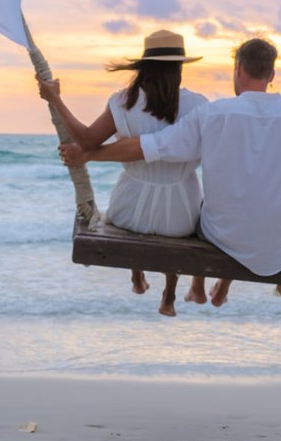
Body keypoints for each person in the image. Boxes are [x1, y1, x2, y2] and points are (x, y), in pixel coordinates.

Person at [59, 37, 281, 307]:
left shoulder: (213, 114)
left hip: (221, 236)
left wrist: (90, 154)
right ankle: (215, 289)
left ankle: (200, 288)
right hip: (275, 252)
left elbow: (153, 146)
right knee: (229, 209)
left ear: (238, 68)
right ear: (272, 75)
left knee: (212, 215)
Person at [38, 30, 209, 316]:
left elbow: (87, 141)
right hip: (181, 216)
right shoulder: (199, 106)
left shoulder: (124, 102)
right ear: (179, 69)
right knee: (176, 229)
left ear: (144, 67)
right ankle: (169, 294)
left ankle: (137, 275)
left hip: (129, 213)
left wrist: (55, 99)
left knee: (133, 210)